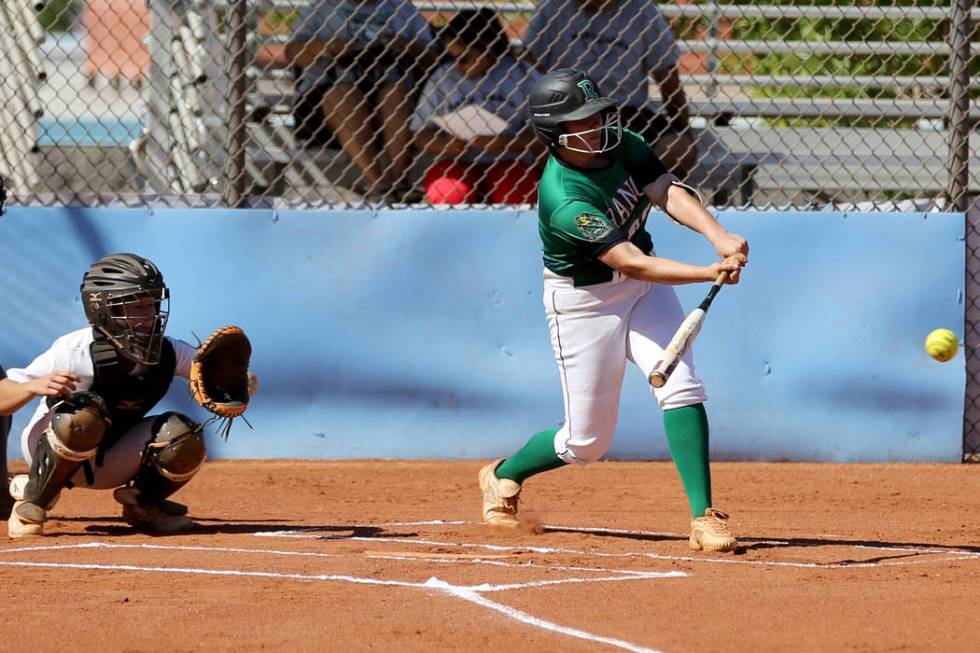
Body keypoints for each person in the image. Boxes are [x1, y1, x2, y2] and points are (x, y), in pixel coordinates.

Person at [478, 69, 748, 552]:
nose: (599, 125)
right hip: (585, 302)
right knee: (587, 443)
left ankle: (704, 517)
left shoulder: (624, 142)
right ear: (554, 135)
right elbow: (630, 262)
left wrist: (718, 234)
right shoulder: (564, 197)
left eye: (600, 113)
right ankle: (503, 474)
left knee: (681, 383)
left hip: (645, 290)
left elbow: (665, 189)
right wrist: (707, 272)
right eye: (583, 121)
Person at [0, 253, 257, 538]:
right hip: (48, 448)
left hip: (111, 461)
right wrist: (29, 387)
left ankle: (143, 505)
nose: (148, 316)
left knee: (184, 435)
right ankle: (34, 499)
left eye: (152, 304)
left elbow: (219, 377)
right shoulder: (75, 350)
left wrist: (239, 384)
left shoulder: (168, 351)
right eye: (136, 306)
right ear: (102, 308)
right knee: (85, 414)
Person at [523, 0, 697, 179]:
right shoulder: (553, 6)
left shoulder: (642, 9)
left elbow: (667, 76)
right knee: (538, 142)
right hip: (569, 109)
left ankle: (638, 199)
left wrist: (683, 129)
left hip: (627, 110)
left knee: (679, 148)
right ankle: (573, 192)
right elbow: (528, 64)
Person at [285, 0, 440, 200]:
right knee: (344, 92)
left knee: (396, 92)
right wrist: (326, 46)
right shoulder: (322, 8)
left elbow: (433, 58)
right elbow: (292, 51)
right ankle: (378, 184)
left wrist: (405, 45)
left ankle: (399, 182)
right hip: (328, 102)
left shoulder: (400, 7)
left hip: (388, 91)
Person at [410, 9, 543, 205]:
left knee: (515, 193)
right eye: (452, 57)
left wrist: (507, 142)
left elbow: (548, 132)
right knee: (449, 194)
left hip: (509, 160)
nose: (457, 65)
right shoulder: (443, 76)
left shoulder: (521, 73)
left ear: (488, 47)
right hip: (458, 160)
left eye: (463, 58)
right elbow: (419, 134)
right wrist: (445, 146)